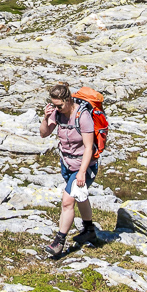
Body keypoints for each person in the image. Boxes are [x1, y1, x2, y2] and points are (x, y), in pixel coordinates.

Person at [39, 79, 101, 260]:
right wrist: (46, 117)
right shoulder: (57, 113)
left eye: (58, 105)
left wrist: (82, 173)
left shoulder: (83, 116)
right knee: (80, 196)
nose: (56, 108)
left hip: (84, 166)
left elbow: (89, 147)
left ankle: (59, 242)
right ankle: (89, 230)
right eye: (53, 104)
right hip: (66, 164)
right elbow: (44, 133)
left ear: (67, 101)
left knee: (67, 202)